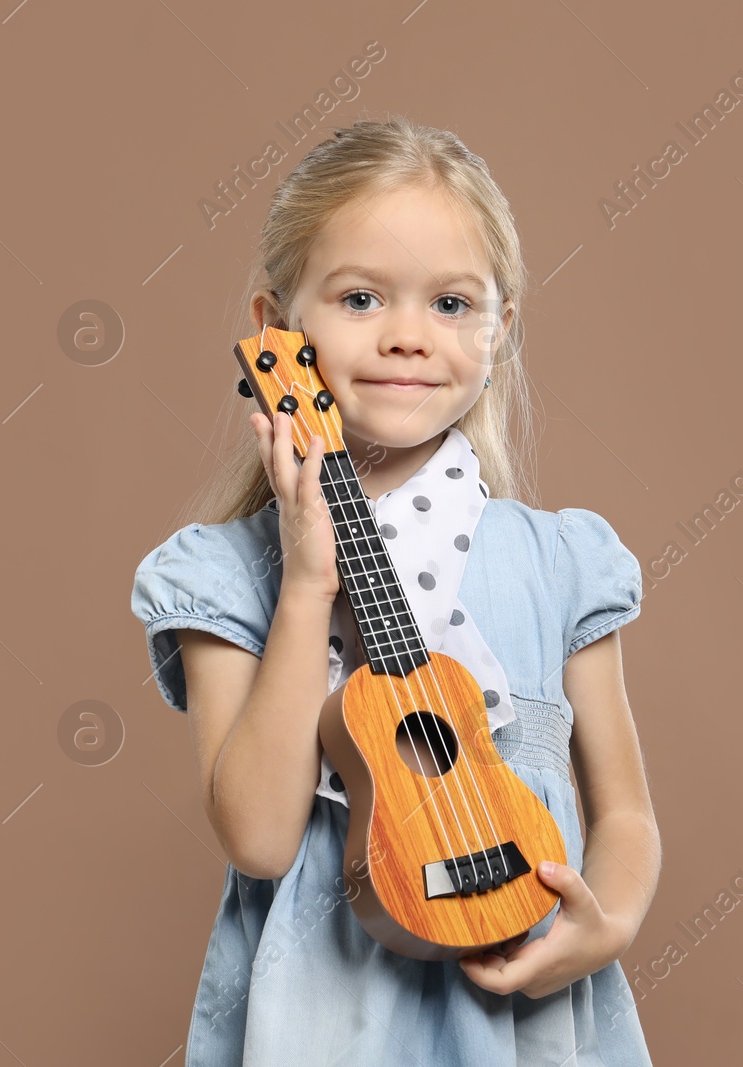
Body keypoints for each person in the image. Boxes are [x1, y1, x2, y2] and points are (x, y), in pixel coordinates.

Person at [130, 116, 659, 1065]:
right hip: (323, 1026)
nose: (410, 337)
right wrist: (306, 585)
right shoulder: (217, 577)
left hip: (526, 1014)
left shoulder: (558, 562)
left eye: (453, 304)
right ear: (276, 329)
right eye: (363, 297)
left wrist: (607, 921)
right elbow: (256, 837)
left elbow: (623, 811)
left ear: (502, 329)